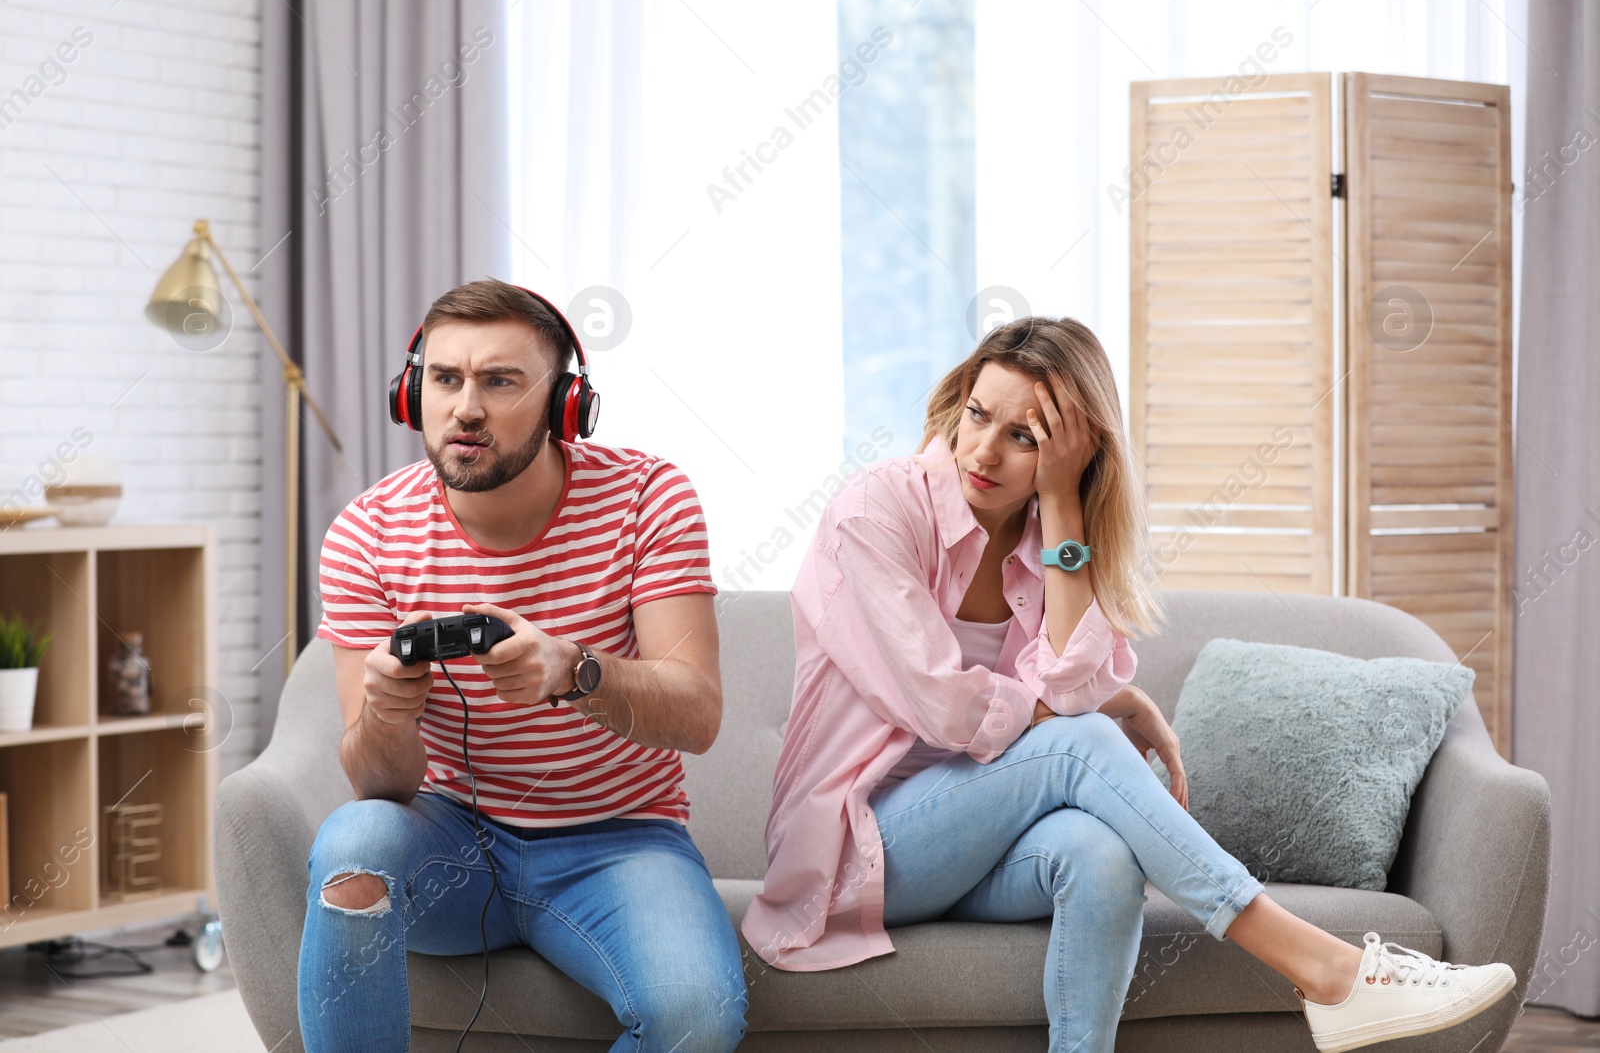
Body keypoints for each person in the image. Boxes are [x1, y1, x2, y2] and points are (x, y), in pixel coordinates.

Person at [743, 315, 1514, 1053]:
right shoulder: (876, 509)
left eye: (1023, 437)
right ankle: (1328, 967)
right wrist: (1093, 703)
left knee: (1101, 854)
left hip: (974, 842)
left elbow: (1069, 689)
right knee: (1082, 739)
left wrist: (1063, 505)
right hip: (856, 843)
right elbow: (953, 712)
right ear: (957, 400)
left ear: (1071, 453)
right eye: (978, 414)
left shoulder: (1052, 536)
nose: (982, 449)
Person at [298, 279, 746, 1053]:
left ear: (563, 404)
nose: (466, 407)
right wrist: (386, 712)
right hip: (450, 842)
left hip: (620, 841)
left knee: (698, 1015)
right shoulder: (366, 532)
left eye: (500, 381)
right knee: (352, 841)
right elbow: (381, 782)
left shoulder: (650, 499)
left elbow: (697, 713)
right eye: (445, 379)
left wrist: (576, 670)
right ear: (413, 393)